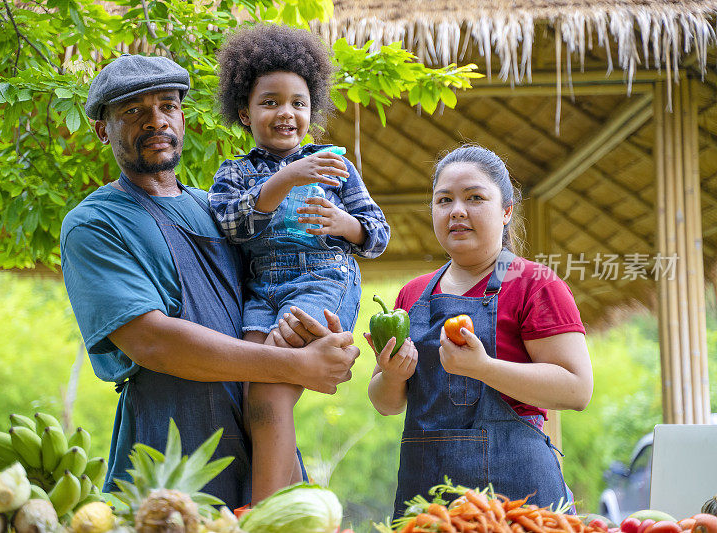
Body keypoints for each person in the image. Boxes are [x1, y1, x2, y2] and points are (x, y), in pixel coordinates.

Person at [60, 53, 360, 510]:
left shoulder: (222, 209)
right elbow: (154, 342)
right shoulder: (96, 224)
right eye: (133, 112)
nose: (155, 121)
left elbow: (299, 274)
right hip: (170, 455)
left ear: (182, 116)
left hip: (262, 446)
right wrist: (296, 368)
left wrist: (319, 335)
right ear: (104, 129)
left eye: (167, 106)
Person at [208, 24, 390, 504]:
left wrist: (345, 223)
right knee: (254, 401)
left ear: (313, 110)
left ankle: (263, 518)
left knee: (270, 395)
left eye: (298, 102)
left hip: (322, 283)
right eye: (270, 101)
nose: (285, 112)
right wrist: (285, 179)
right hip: (262, 293)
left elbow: (378, 234)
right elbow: (230, 223)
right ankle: (302, 510)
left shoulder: (335, 164)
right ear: (244, 112)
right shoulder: (234, 173)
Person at [366, 145, 593, 515]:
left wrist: (482, 368)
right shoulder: (413, 294)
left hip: (521, 507)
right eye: (444, 200)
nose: (457, 210)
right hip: (427, 505)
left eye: (474, 197)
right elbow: (385, 403)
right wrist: (391, 376)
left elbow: (577, 389)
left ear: (506, 211)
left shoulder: (535, 283)